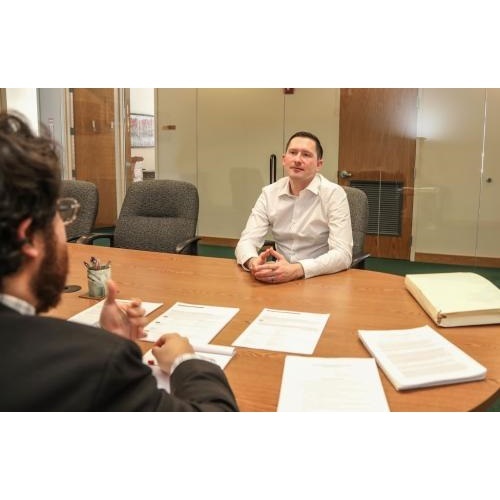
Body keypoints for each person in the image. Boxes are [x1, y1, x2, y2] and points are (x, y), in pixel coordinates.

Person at [0, 111, 238, 411]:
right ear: (28, 237)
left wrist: (105, 342)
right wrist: (185, 361)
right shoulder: (96, 362)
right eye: (58, 215)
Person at [235, 131, 352, 284]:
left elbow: (343, 254)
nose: (297, 160)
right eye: (293, 153)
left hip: (318, 278)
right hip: (278, 277)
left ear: (319, 164)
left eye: (306, 155)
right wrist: (253, 262)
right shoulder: (269, 193)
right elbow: (246, 241)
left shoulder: (334, 195)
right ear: (284, 160)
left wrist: (297, 269)